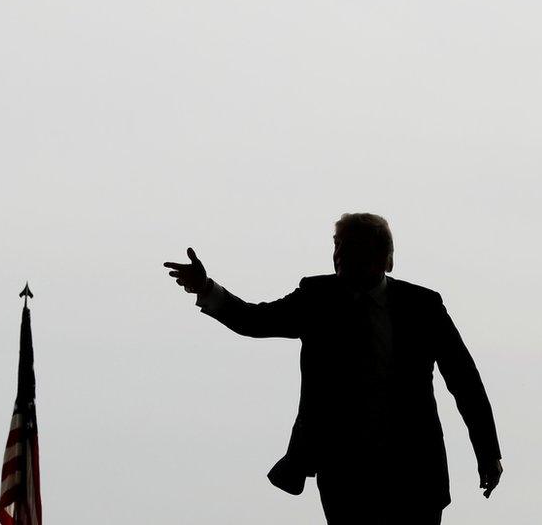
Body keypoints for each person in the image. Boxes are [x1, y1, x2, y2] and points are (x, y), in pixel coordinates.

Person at [164, 213, 502, 524]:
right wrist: (206, 288)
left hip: (414, 472)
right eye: (338, 246)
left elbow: (464, 381)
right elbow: (255, 320)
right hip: (344, 470)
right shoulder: (317, 297)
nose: (340, 255)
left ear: (386, 258)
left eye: (352, 247)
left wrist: (488, 453)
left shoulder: (422, 306)